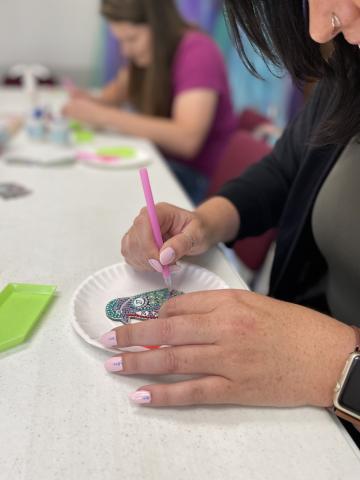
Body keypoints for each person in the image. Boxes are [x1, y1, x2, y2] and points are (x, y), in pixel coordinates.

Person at [99, 0, 360, 441]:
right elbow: (281, 173)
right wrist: (202, 223)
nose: (320, 30)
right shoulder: (349, 80)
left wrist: (332, 361)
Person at [63, 0, 237, 204]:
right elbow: (110, 97)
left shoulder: (198, 52)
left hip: (198, 181)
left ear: (159, 25)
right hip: (167, 166)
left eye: (131, 39)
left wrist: (103, 116)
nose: (125, 51)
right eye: (120, 41)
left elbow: (187, 139)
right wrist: (90, 102)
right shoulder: (150, 56)